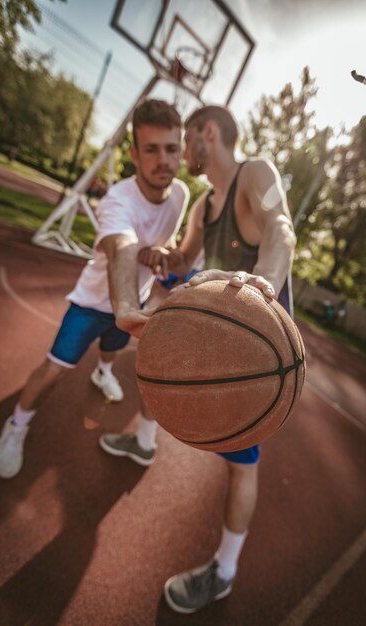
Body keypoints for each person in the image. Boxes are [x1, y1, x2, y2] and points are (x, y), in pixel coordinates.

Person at [115, 105, 296, 613]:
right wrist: (160, 256)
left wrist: (264, 281)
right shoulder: (202, 205)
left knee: (241, 465)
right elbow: (184, 260)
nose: (180, 150)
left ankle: (225, 571)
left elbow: (280, 227)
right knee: (159, 359)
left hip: (255, 359)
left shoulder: (255, 173)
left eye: (186, 138)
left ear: (207, 133)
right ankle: (145, 439)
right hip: (217, 338)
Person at [0, 98, 189, 480]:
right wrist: (127, 308)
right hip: (95, 301)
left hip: (134, 301)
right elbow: (122, 249)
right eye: (151, 149)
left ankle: (102, 372)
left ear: (181, 148)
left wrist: (163, 252)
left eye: (171, 148)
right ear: (133, 154)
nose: (163, 159)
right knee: (53, 371)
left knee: (112, 349)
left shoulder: (180, 194)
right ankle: (15, 428)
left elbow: (160, 241)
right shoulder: (117, 200)